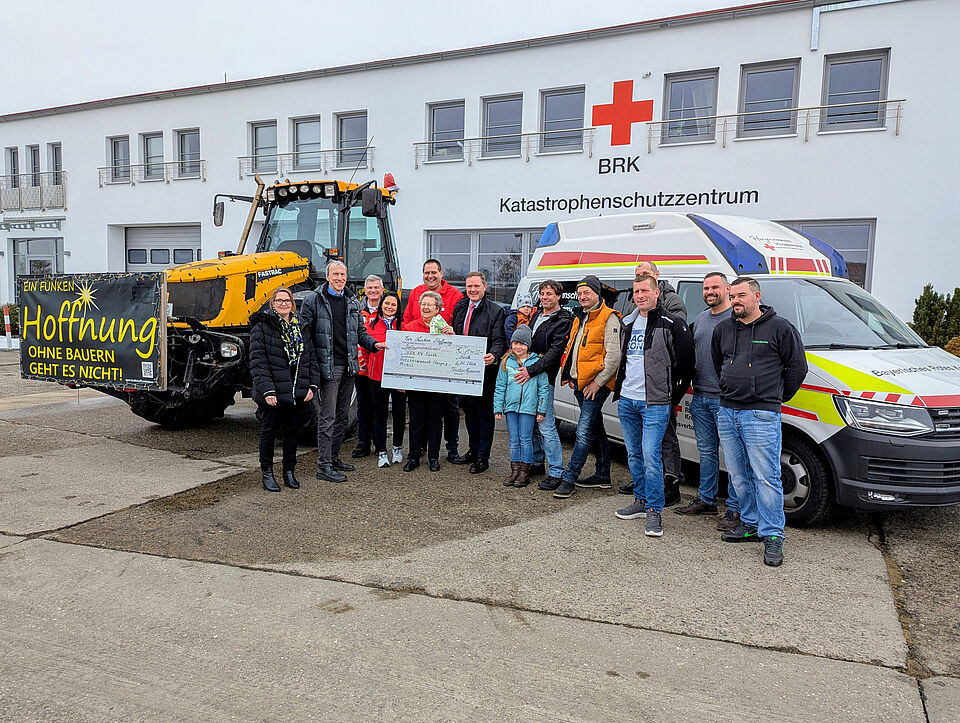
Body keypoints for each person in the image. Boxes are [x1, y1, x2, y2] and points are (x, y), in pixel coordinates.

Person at [712, 276, 807, 567]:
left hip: (761, 415)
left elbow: (797, 367)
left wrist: (774, 397)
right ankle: (751, 524)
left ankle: (773, 535)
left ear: (756, 296)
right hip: (728, 412)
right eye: (733, 295)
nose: (735, 300)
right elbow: (719, 364)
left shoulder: (780, 328)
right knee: (738, 475)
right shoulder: (723, 329)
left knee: (766, 477)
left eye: (741, 295)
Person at [612, 274, 694, 536]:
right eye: (636, 292)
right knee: (634, 455)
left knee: (651, 457)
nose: (640, 295)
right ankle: (640, 499)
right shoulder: (627, 323)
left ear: (657, 293)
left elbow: (686, 364)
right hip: (627, 401)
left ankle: (654, 511)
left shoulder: (672, 324)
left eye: (645, 291)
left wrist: (672, 397)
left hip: (656, 403)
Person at [300, 260, 385, 484]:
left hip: (349, 366)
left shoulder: (351, 301)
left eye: (343, 274)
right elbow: (306, 335)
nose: (340, 278)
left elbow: (360, 332)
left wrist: (374, 345)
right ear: (327, 276)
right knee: (326, 417)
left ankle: (334, 457)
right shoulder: (313, 300)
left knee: (342, 416)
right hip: (328, 368)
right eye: (336, 274)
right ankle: (323, 466)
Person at [675, 272, 740, 528]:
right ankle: (707, 499)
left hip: (725, 400)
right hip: (700, 396)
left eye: (715, 287)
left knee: (734, 456)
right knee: (707, 452)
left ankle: (734, 509)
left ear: (726, 289)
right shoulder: (701, 318)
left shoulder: (735, 319)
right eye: (706, 288)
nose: (709, 291)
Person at [549, 275, 622, 499]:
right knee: (596, 429)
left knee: (583, 433)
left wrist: (597, 382)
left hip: (596, 385)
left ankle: (570, 477)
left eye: (586, 293)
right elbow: (574, 348)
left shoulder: (609, 318)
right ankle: (603, 475)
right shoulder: (580, 317)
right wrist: (572, 374)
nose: (582, 297)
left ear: (597, 294)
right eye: (579, 294)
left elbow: (613, 357)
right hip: (580, 383)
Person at [622, 260, 688, 506]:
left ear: (656, 281)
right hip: (632, 396)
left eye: (645, 277)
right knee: (638, 452)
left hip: (658, 395)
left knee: (661, 444)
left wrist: (672, 394)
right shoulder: (630, 317)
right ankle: (644, 492)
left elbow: (680, 358)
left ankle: (668, 485)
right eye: (637, 279)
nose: (640, 293)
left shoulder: (672, 307)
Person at [249, 286, 320, 492]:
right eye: (279, 301)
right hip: (272, 392)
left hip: (296, 391)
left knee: (292, 432)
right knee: (269, 430)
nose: (283, 304)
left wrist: (311, 386)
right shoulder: (262, 327)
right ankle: (267, 473)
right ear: (272, 304)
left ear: (292, 304)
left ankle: (289, 470)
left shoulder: (301, 327)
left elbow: (310, 360)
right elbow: (258, 362)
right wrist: (267, 391)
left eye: (287, 301)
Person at [511, 280, 573, 489]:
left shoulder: (563, 319)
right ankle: (537, 462)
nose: (545, 297)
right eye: (543, 293)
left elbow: (555, 353)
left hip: (543, 378)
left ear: (558, 296)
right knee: (534, 425)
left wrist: (531, 369)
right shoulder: (536, 315)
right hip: (529, 375)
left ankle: (556, 471)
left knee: (546, 426)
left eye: (549, 294)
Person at [402, 258, 464, 461]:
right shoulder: (415, 292)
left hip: (443, 367)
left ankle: (451, 447)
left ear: (441, 273)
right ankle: (419, 449)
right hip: (419, 366)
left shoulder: (455, 295)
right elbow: (408, 320)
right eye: (426, 273)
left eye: (433, 273)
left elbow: (459, 325)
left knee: (450, 409)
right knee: (419, 415)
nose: (430, 276)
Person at [450, 271, 506, 474]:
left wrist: (494, 355)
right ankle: (472, 451)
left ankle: (483, 457)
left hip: (484, 371)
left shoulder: (495, 311)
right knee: (469, 413)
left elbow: (500, 340)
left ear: (485, 287)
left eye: (476, 286)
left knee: (483, 415)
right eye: (469, 286)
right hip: (463, 370)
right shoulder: (461, 306)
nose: (472, 290)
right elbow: (456, 333)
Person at [402, 290, 453, 472]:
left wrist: (452, 338)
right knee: (415, 422)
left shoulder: (445, 328)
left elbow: (452, 355)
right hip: (415, 383)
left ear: (438, 308)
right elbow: (402, 355)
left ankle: (433, 457)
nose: (425, 307)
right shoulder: (410, 328)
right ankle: (414, 457)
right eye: (423, 304)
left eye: (429, 305)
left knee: (435, 421)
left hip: (437, 384)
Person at [494, 324, 549, 488]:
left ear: (528, 345)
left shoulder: (537, 362)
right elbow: (500, 386)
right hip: (511, 407)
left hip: (528, 408)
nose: (518, 347)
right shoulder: (506, 362)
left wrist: (541, 409)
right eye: (515, 343)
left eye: (522, 343)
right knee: (514, 439)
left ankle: (525, 471)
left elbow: (543, 388)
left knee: (526, 439)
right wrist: (498, 407)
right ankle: (514, 470)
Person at [362, 291, 406, 468]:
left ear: (398, 307)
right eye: (386, 303)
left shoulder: (404, 326)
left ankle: (397, 448)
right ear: (381, 305)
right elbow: (364, 348)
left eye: (393, 304)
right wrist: (368, 365)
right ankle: (381, 451)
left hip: (399, 377)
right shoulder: (371, 325)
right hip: (377, 376)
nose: (389, 307)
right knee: (379, 415)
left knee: (399, 414)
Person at [352, 274, 384, 459]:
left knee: (378, 406)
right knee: (363, 405)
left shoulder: (388, 308)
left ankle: (379, 442)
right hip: (362, 366)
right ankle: (363, 441)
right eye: (369, 288)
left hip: (380, 366)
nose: (373, 291)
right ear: (365, 290)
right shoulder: (356, 308)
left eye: (376, 287)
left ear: (381, 290)